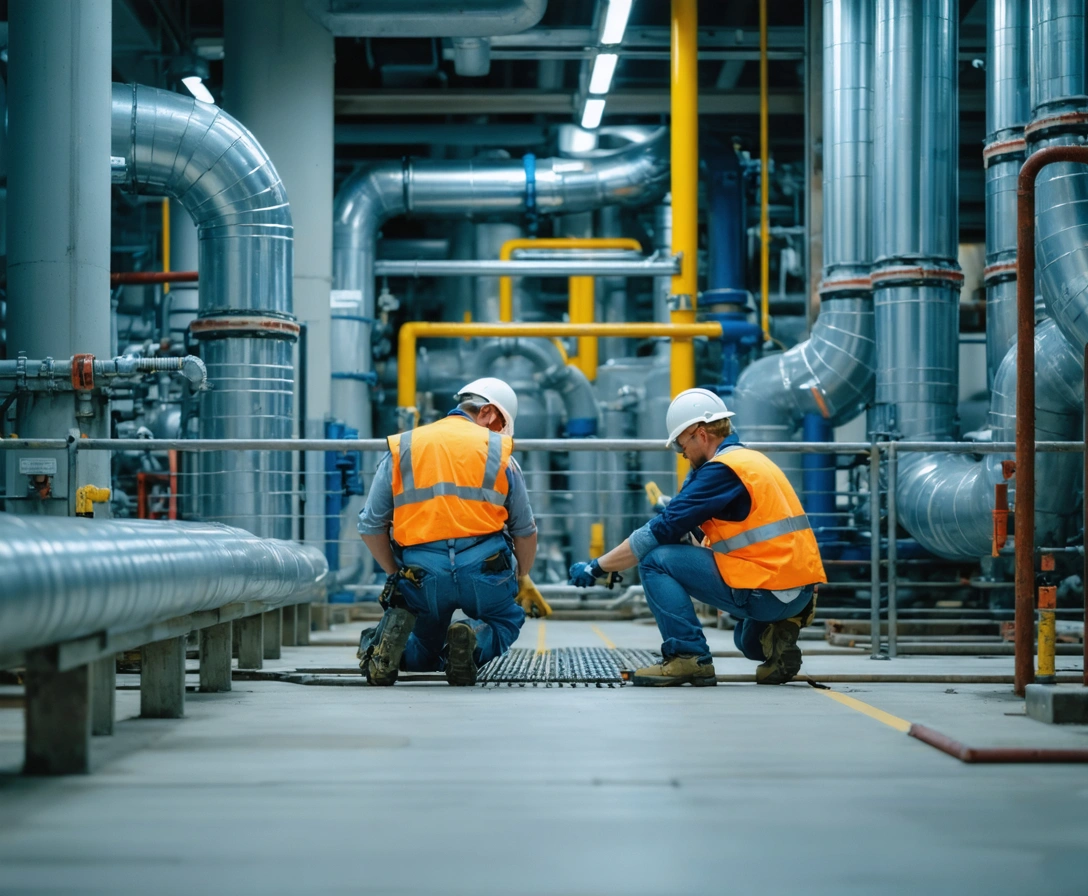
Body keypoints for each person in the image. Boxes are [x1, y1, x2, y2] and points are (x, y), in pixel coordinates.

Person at [569, 388, 826, 687]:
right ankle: (779, 635)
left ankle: (688, 657)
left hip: (765, 589)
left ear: (700, 435)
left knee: (655, 562)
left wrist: (597, 567)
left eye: (682, 446)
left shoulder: (720, 471)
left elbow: (658, 532)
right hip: (800, 591)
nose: (683, 455)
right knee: (747, 643)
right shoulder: (752, 461)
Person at [357, 377, 548, 686]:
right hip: (484, 569)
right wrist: (521, 576)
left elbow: (370, 524)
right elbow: (525, 530)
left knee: (424, 648)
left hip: (422, 573)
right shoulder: (501, 453)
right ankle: (471, 641)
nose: (498, 434)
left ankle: (383, 648)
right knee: (505, 618)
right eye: (499, 424)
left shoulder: (404, 446)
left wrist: (396, 573)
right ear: (487, 412)